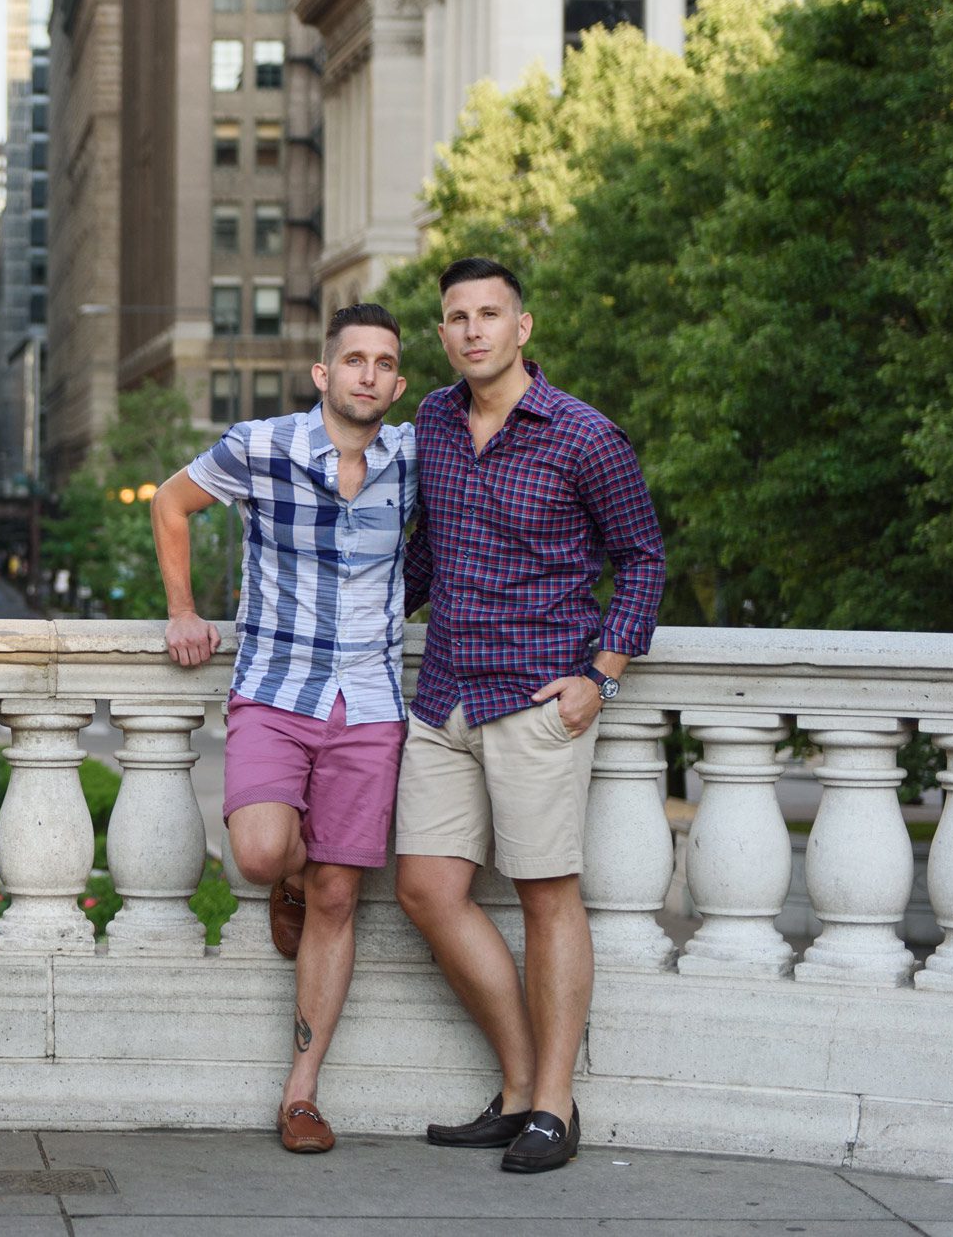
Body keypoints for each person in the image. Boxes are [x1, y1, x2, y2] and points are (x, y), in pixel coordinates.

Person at [397, 257, 665, 1174]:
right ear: (442, 334)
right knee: (428, 888)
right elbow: (422, 553)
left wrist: (604, 672)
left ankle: (555, 1104)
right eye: (455, 317)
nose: (472, 330)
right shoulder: (431, 421)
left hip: (539, 696)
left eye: (489, 314)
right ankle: (519, 1089)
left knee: (549, 894)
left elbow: (643, 560)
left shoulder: (586, 437)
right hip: (444, 695)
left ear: (524, 327)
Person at [151, 303, 418, 1155]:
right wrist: (183, 610)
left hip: (371, 703)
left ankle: (300, 1093)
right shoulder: (261, 446)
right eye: (354, 360)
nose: (368, 374)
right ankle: (289, 882)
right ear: (323, 373)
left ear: (398, 382)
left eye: (384, 363)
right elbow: (170, 500)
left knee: (343, 892)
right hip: (275, 689)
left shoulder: (415, 458)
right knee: (261, 853)